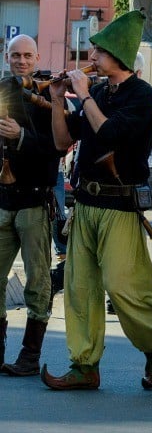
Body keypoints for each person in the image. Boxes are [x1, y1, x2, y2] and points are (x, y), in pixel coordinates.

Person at [42, 10, 152, 391]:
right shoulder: (98, 92)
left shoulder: (142, 96)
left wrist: (82, 94)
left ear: (117, 56)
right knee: (80, 288)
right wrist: (57, 103)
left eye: (98, 53)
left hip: (120, 206)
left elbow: (110, 133)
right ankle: (84, 366)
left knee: (125, 287)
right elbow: (64, 142)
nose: (90, 59)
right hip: (86, 204)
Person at [0, 35, 62, 376]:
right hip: (3, 200)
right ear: (7, 57)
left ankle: (29, 357)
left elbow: (58, 148)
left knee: (37, 282)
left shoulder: (48, 94)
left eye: (27, 55)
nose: (21, 60)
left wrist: (20, 137)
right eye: (15, 55)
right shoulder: (1, 89)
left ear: (37, 57)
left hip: (34, 202)